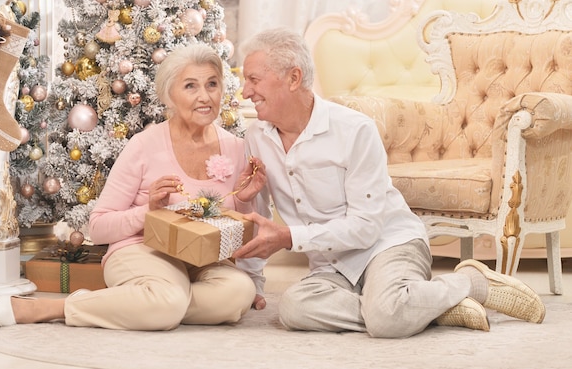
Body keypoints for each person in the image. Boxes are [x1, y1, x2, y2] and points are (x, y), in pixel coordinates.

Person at [232, 27, 546, 337]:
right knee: (293, 309)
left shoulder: (354, 130)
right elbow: (257, 217)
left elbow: (366, 227)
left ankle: (471, 283)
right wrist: (254, 285)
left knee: (386, 321)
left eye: (253, 79)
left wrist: (289, 237)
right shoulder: (257, 136)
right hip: (332, 264)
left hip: (387, 244)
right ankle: (419, 307)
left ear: (293, 78)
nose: (245, 92)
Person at [0, 43, 267, 329]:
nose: (205, 96)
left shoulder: (235, 147)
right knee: (170, 298)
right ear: (168, 95)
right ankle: (55, 307)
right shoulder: (143, 145)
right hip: (141, 251)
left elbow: (245, 239)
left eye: (212, 84)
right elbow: (98, 228)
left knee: (238, 293)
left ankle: (150, 304)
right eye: (190, 86)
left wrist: (245, 201)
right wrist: (149, 211)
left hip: (204, 260)